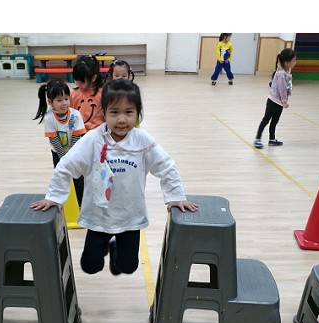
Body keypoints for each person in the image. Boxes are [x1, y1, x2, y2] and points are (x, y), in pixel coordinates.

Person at [31, 79, 198, 276]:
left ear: (138, 113)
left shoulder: (142, 141)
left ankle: (115, 247)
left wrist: (175, 196)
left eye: (129, 112)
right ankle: (106, 245)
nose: (121, 119)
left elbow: (166, 166)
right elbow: (66, 165)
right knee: (90, 266)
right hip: (99, 216)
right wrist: (54, 197)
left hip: (130, 216)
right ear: (104, 113)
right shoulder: (93, 139)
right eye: (114, 112)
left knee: (128, 267)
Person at [33, 79, 87, 206]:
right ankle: (61, 203)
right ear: (50, 102)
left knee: (79, 179)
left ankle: (82, 204)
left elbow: (77, 137)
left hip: (75, 153)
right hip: (58, 154)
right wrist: (65, 158)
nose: (64, 103)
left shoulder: (75, 115)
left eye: (66, 99)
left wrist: (71, 157)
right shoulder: (49, 118)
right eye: (59, 100)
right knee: (61, 177)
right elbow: (54, 140)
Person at [253, 48, 297, 149]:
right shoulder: (281, 74)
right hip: (273, 102)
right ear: (287, 63)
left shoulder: (285, 72)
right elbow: (282, 89)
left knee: (274, 121)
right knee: (266, 120)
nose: (295, 63)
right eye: (293, 61)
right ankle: (257, 139)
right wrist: (284, 101)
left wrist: (288, 79)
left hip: (279, 103)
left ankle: (272, 139)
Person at [71, 55, 105, 132]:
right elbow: (71, 114)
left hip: (98, 133)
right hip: (78, 133)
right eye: (76, 80)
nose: (78, 84)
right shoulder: (74, 94)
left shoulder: (102, 94)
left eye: (82, 81)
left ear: (93, 78)